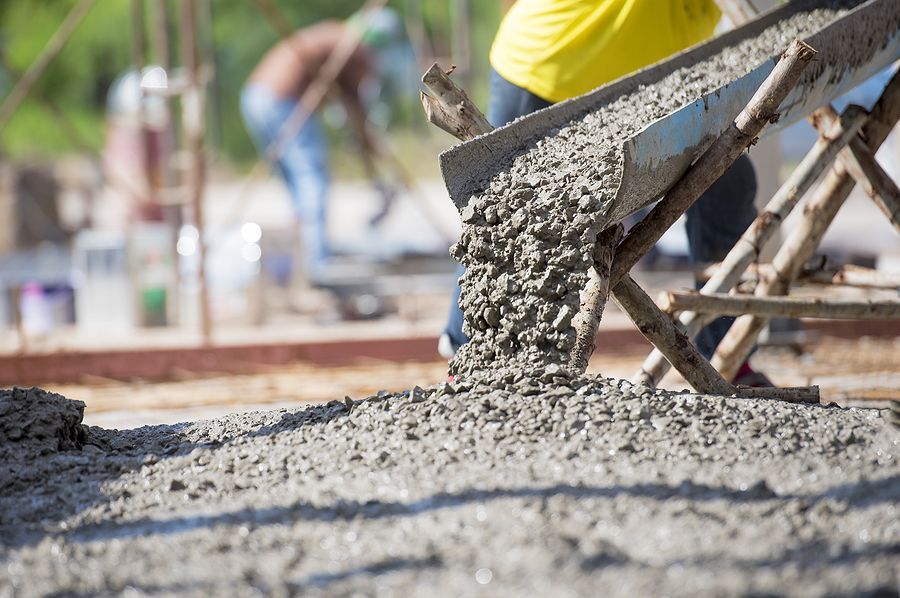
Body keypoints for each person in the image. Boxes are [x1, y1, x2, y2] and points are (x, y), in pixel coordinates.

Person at [439, 0, 768, 386]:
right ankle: (472, 361)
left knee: (727, 183)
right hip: (550, 67)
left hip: (649, 82)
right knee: (513, 214)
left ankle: (729, 356)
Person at [240, 10, 405, 281]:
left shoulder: (335, 36)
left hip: (255, 97)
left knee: (296, 184)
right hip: (282, 100)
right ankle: (317, 261)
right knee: (311, 175)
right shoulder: (355, 48)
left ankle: (302, 254)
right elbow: (355, 106)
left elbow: (349, 106)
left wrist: (365, 144)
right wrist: (371, 149)